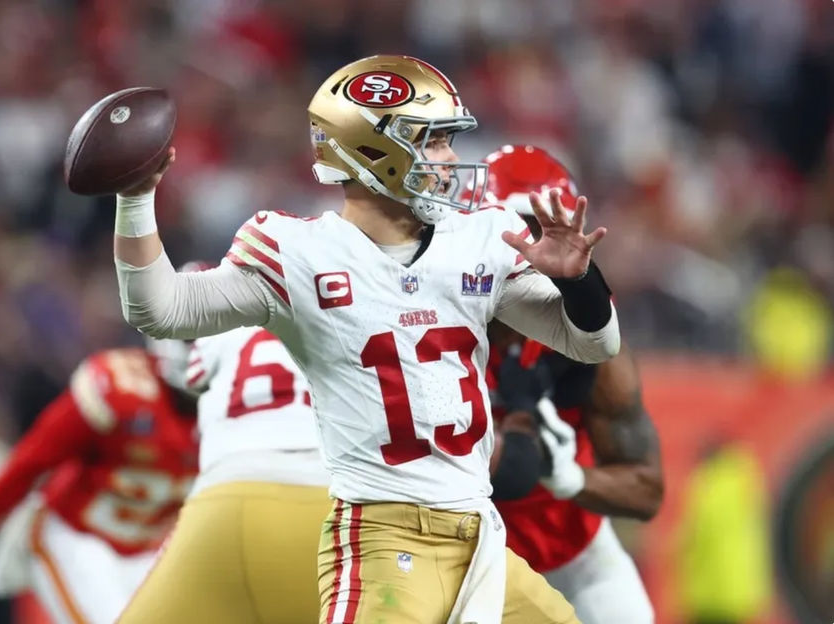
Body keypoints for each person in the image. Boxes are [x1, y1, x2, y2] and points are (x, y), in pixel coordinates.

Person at [112, 54, 620, 624]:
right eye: (433, 141)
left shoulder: (478, 238)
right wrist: (135, 201)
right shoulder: (297, 252)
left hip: (478, 532)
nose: (451, 159)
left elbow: (594, 343)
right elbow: (162, 309)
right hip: (381, 536)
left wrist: (578, 279)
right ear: (376, 150)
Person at [476, 146, 662, 623]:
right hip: (473, 561)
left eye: (548, 230)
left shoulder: (591, 338)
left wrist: (570, 477)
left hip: (575, 555)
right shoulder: (439, 319)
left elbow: (645, 490)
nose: (533, 249)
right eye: (519, 228)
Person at [0, 338, 199, 624]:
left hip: (145, 548)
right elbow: (24, 469)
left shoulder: (235, 408)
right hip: (75, 534)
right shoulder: (119, 391)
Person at [118, 324, 331, 623]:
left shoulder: (228, 317)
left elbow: (183, 371)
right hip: (331, 502)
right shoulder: (347, 314)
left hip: (227, 498)